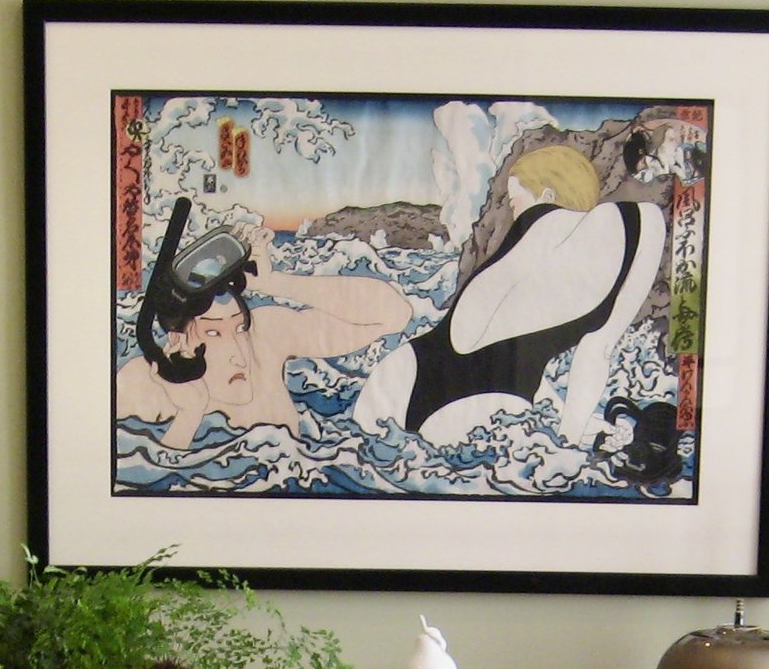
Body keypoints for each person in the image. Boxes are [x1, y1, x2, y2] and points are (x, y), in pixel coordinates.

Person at [353, 142, 668, 451]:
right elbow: (594, 352)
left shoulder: (527, 244)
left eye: (515, 203)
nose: (514, 215)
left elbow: (492, 337)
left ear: (547, 196)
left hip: (404, 373)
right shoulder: (640, 223)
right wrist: (570, 436)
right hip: (490, 400)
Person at [116, 200, 411, 453]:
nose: (239, 354)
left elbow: (395, 313)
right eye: (213, 333)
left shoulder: (265, 335)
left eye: (239, 328)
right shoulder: (143, 383)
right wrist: (189, 416)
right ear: (177, 340)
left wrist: (273, 283)